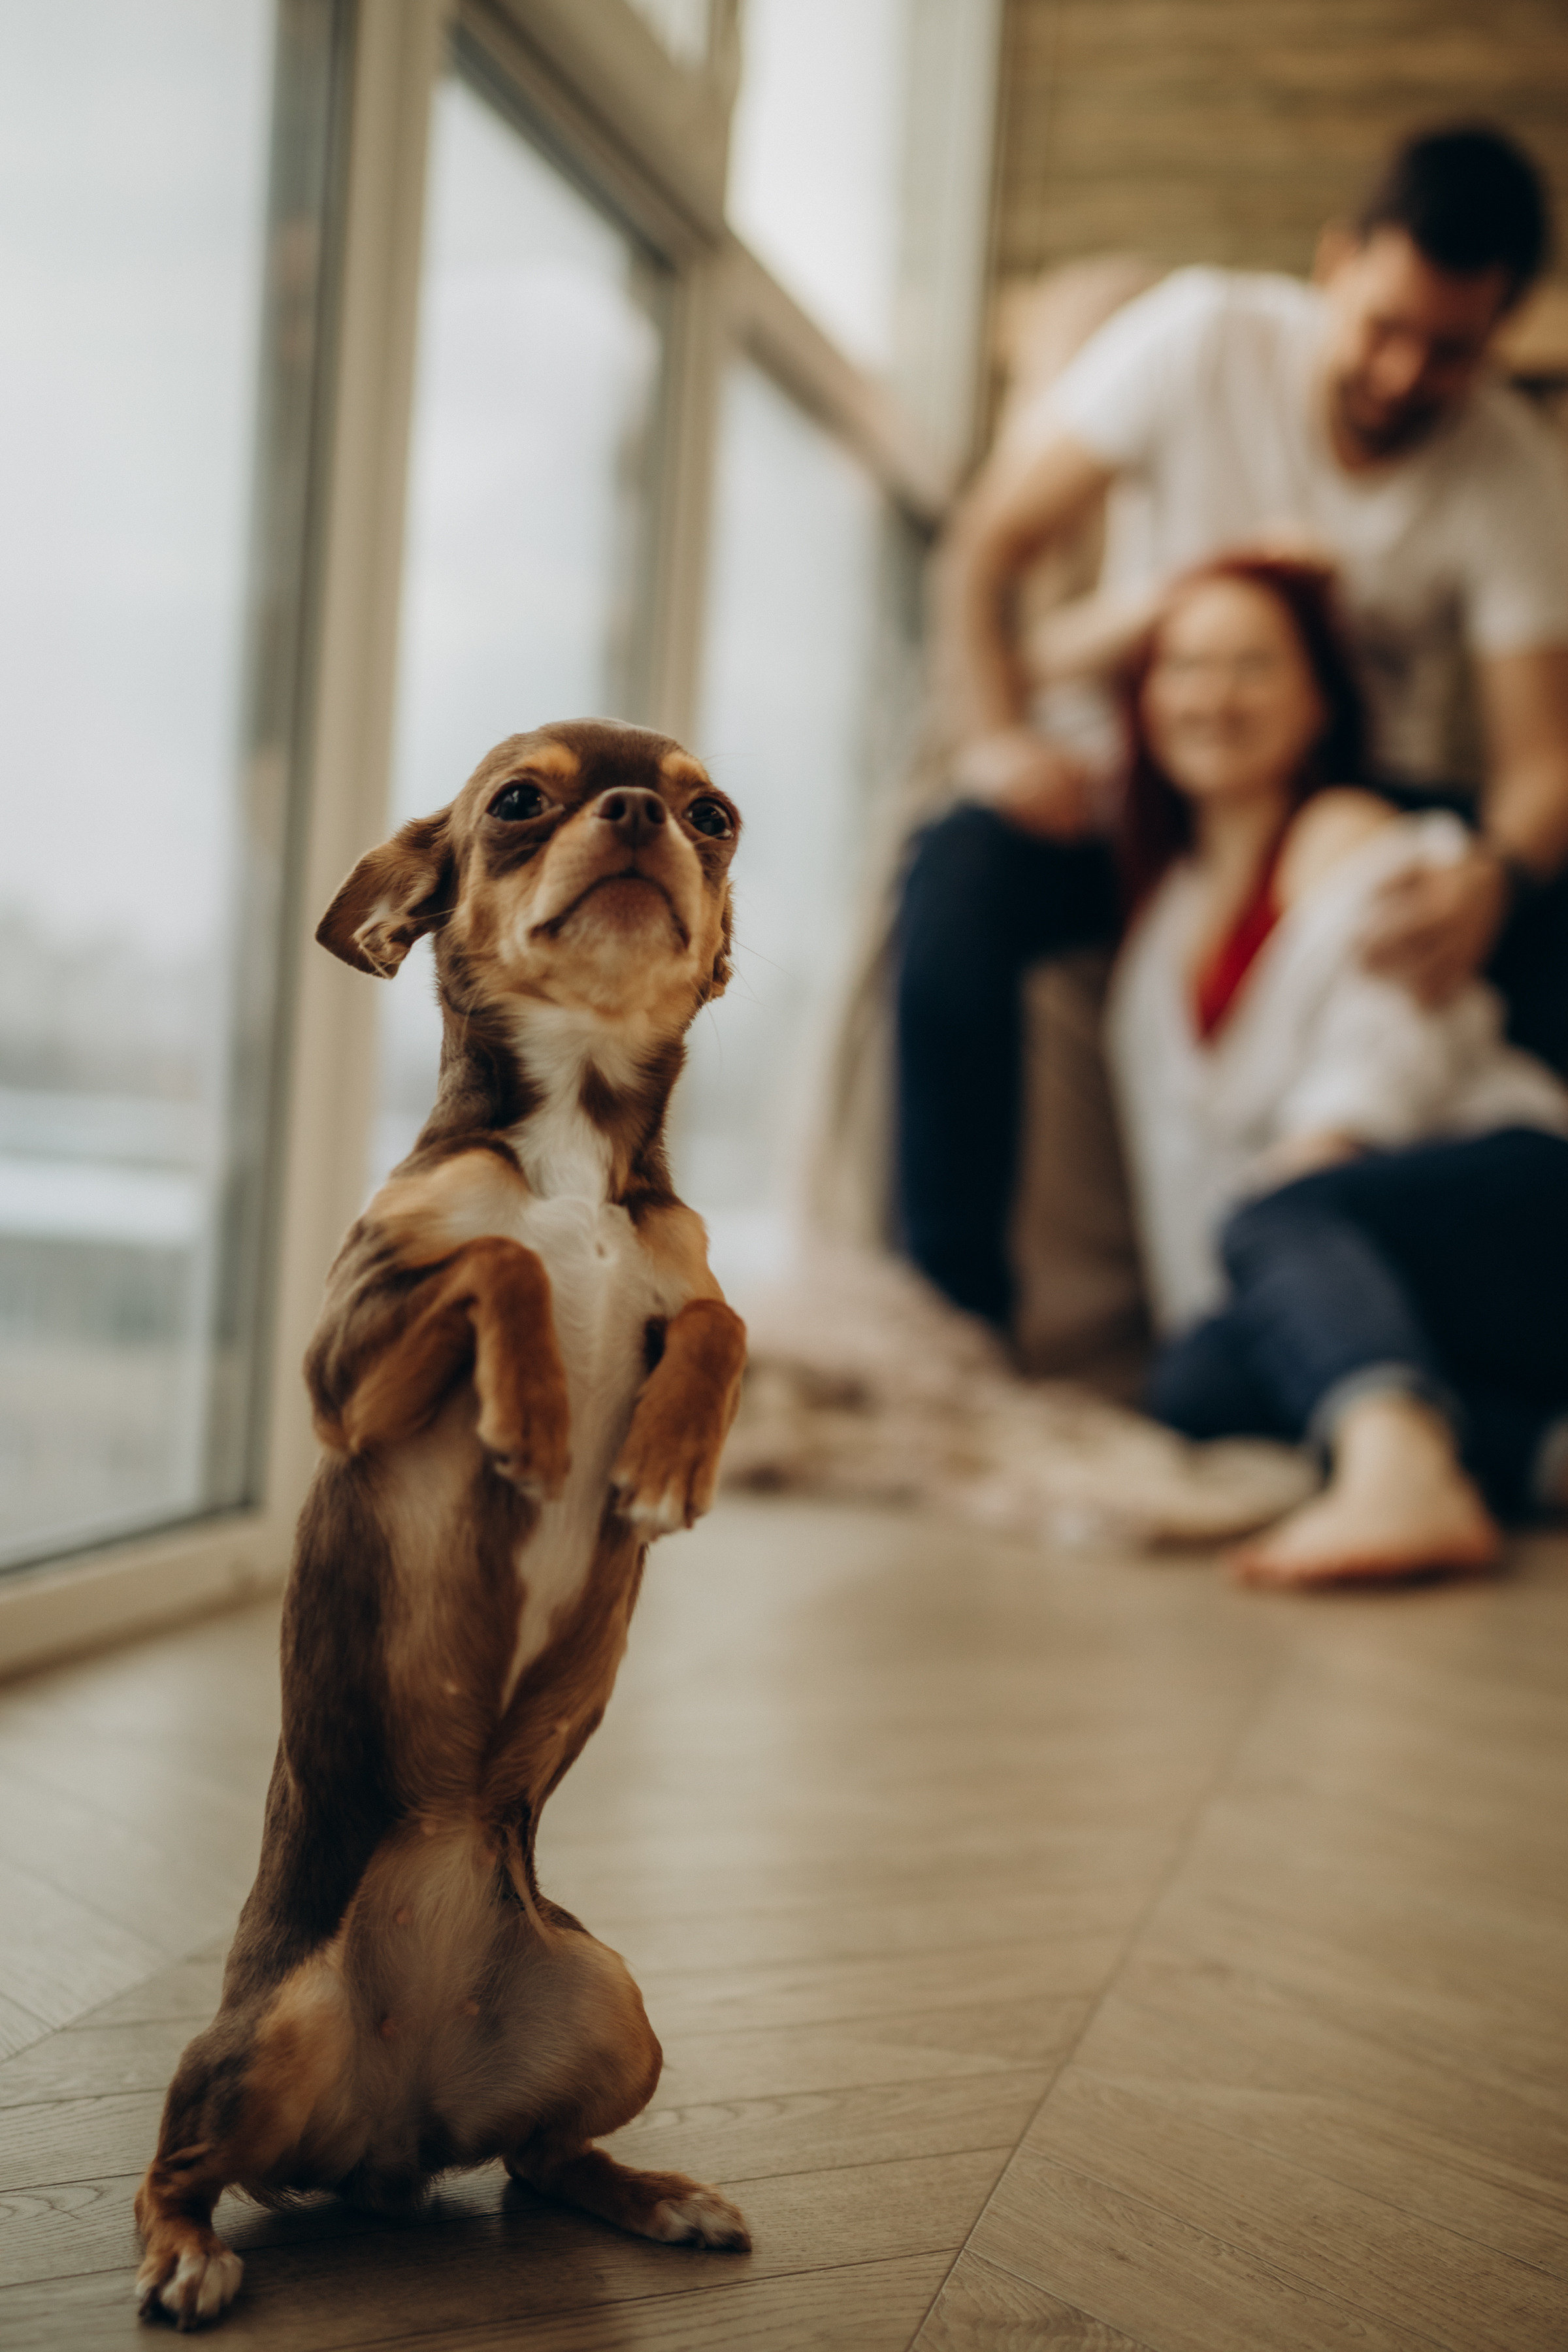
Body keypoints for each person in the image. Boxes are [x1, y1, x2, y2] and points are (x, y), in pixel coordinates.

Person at [896, 122, 1568, 1331]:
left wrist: (1493, 880)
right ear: (1334, 268)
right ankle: (954, 1311)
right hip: (1145, 794)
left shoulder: (1510, 471)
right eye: (1385, 329)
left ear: (1504, 331)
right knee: (958, 869)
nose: (1406, 374)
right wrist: (999, 742)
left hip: (1339, 810)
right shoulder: (1201, 337)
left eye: (1452, 351)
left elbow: (1540, 764)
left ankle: (1494, 1280)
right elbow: (986, 549)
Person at [1102, 555, 1568, 1587]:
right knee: (1198, 1377)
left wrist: (1309, 1175)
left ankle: (1402, 1475)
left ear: (1318, 703)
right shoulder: (1157, 938)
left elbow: (1398, 1037)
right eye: (1184, 667)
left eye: (1252, 666)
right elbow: (1183, 1184)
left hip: (1522, 1202)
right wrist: (1239, 1294)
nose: (1213, 696)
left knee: (1283, 1208)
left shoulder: (1347, 834)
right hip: (1359, 1270)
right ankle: (1538, 1451)